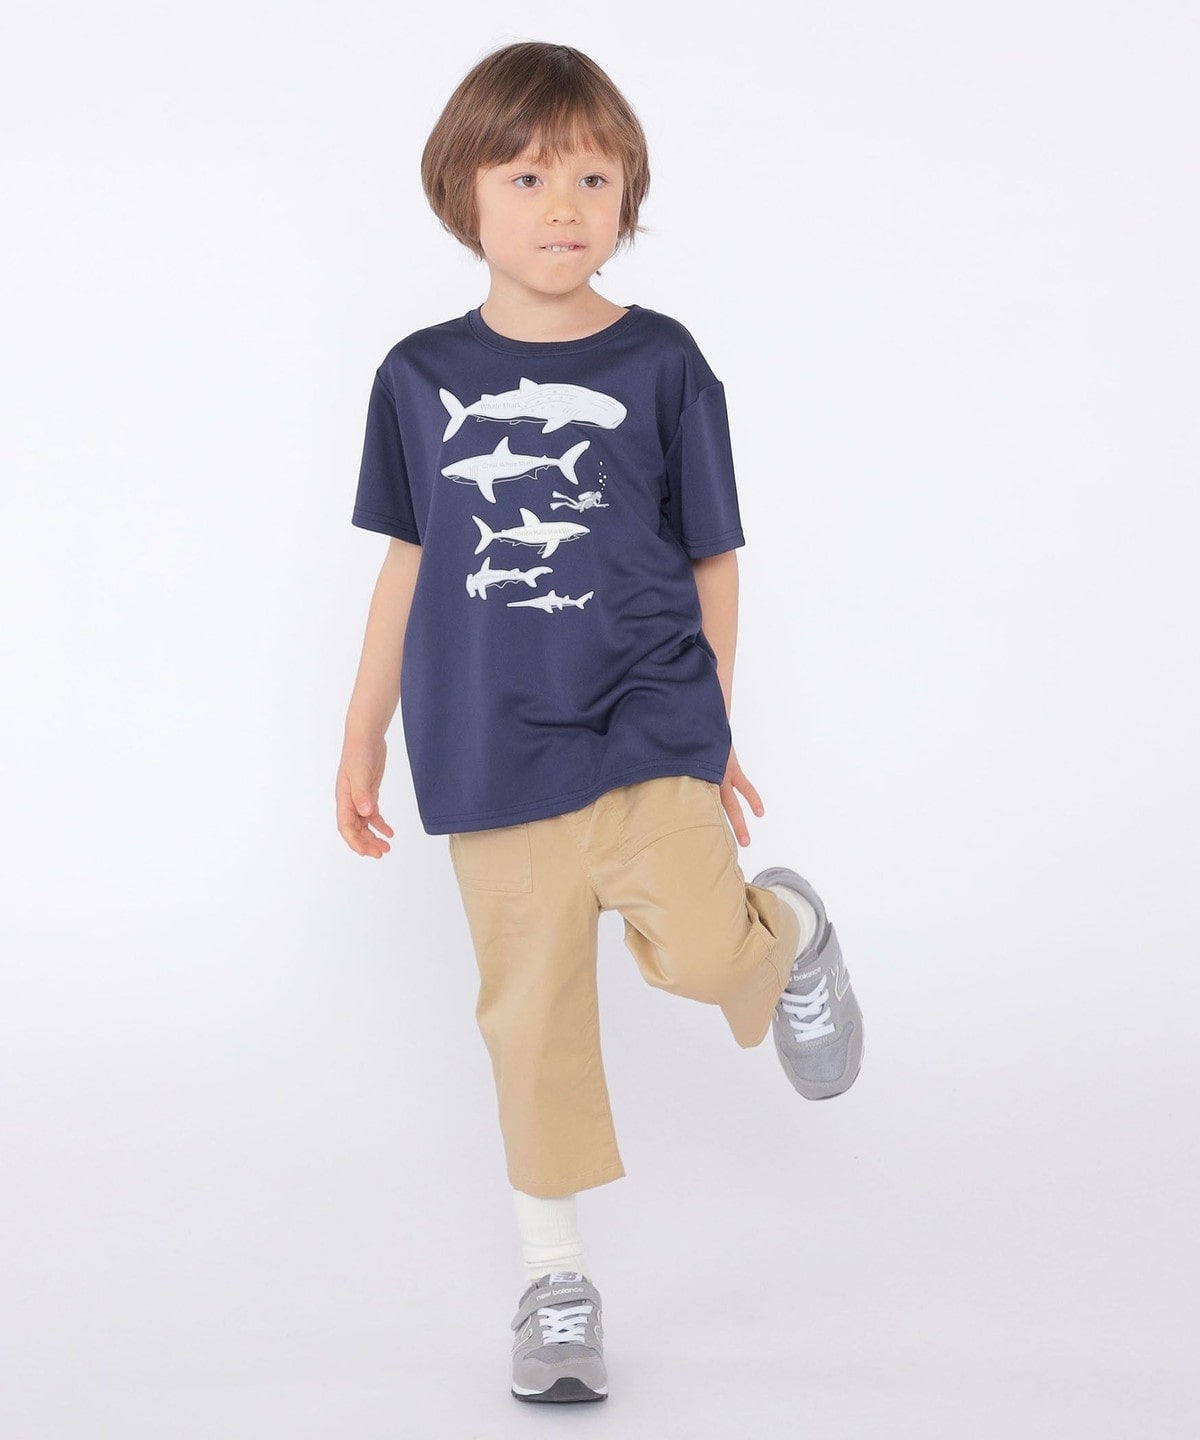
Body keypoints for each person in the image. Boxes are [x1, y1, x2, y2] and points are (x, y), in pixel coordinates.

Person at [335, 40, 865, 1405]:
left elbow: (713, 557)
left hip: (644, 721)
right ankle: (555, 1280)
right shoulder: (417, 376)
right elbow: (407, 559)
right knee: (531, 1019)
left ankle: (787, 934)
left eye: (593, 176)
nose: (563, 204)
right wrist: (361, 732)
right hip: (483, 742)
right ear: (462, 195)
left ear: (629, 193)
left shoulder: (664, 362)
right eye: (526, 177)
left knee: (699, 950)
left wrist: (714, 721)